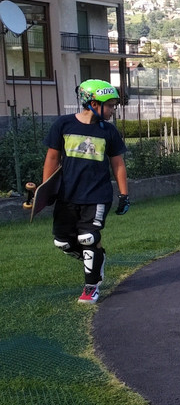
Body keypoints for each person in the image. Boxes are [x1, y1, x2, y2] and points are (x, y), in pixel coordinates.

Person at [42, 79, 130, 304]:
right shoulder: (64, 125)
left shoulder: (109, 132)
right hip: (67, 195)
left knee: (88, 237)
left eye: (113, 105)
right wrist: (46, 189)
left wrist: (123, 195)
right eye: (109, 105)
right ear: (92, 103)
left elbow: (118, 164)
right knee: (62, 241)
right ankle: (95, 259)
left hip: (97, 196)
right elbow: (52, 157)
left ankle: (91, 286)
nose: (112, 109)